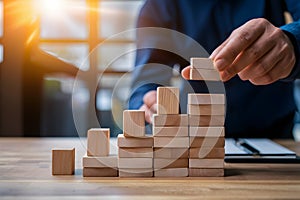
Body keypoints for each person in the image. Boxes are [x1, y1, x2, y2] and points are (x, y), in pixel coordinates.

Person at [129, 0, 300, 138]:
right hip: (195, 135)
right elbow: (147, 78)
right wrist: (148, 101)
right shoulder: (159, 5)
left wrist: (293, 41)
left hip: (274, 132)